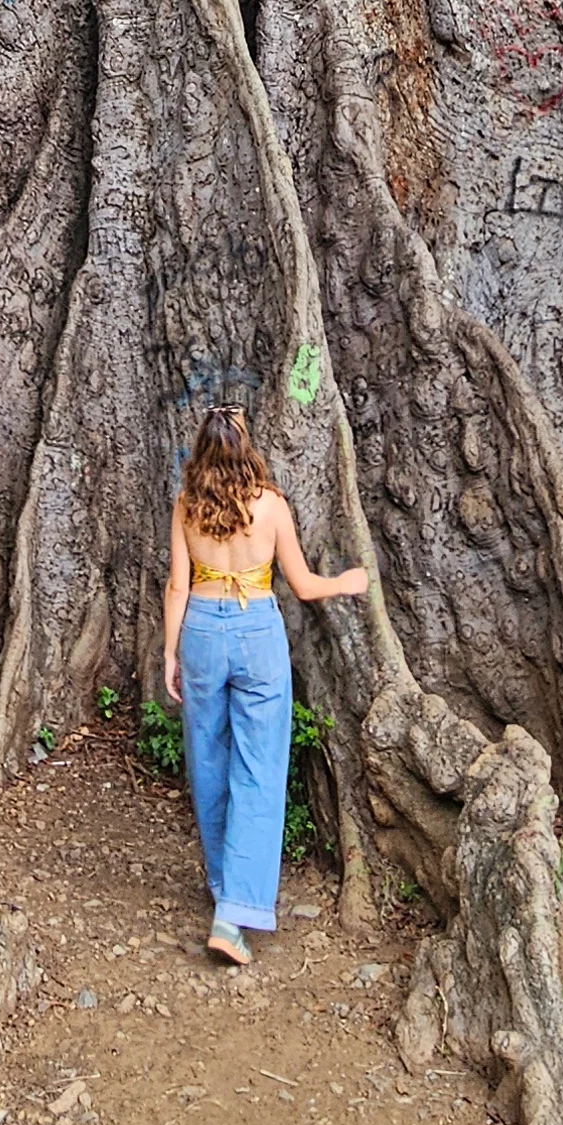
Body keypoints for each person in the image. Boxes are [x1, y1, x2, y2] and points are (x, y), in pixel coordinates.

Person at [163, 402, 370, 971]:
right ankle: (234, 913)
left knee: (207, 756)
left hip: (202, 628)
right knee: (258, 767)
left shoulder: (187, 507)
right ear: (246, 447)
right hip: (256, 627)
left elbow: (178, 586)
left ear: (203, 450)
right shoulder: (272, 507)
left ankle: (223, 881)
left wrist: (169, 651)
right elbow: (301, 586)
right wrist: (348, 582)